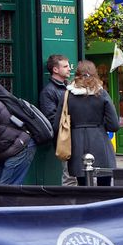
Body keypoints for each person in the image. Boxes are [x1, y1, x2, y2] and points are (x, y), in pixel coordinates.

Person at [65, 60, 119, 186]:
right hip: (100, 142)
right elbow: (114, 125)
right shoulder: (102, 94)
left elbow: (58, 123)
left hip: (76, 143)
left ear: (77, 74)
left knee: (83, 186)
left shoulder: (68, 95)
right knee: (104, 185)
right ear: (95, 74)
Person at [40, 54, 76, 185]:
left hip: (77, 137)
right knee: (70, 176)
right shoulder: (48, 92)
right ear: (55, 70)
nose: (69, 69)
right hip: (65, 140)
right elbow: (52, 119)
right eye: (65, 66)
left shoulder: (71, 87)